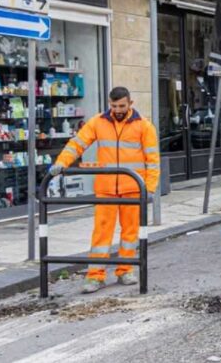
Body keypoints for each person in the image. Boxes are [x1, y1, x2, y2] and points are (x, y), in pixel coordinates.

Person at [49, 87, 160, 294]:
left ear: (130, 103)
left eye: (121, 106)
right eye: (114, 105)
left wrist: (150, 188)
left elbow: (153, 160)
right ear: (109, 103)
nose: (117, 109)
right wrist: (61, 162)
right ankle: (95, 276)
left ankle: (125, 270)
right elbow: (77, 144)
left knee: (130, 233)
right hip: (107, 188)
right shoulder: (98, 122)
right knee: (101, 233)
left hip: (133, 189)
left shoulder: (144, 126)